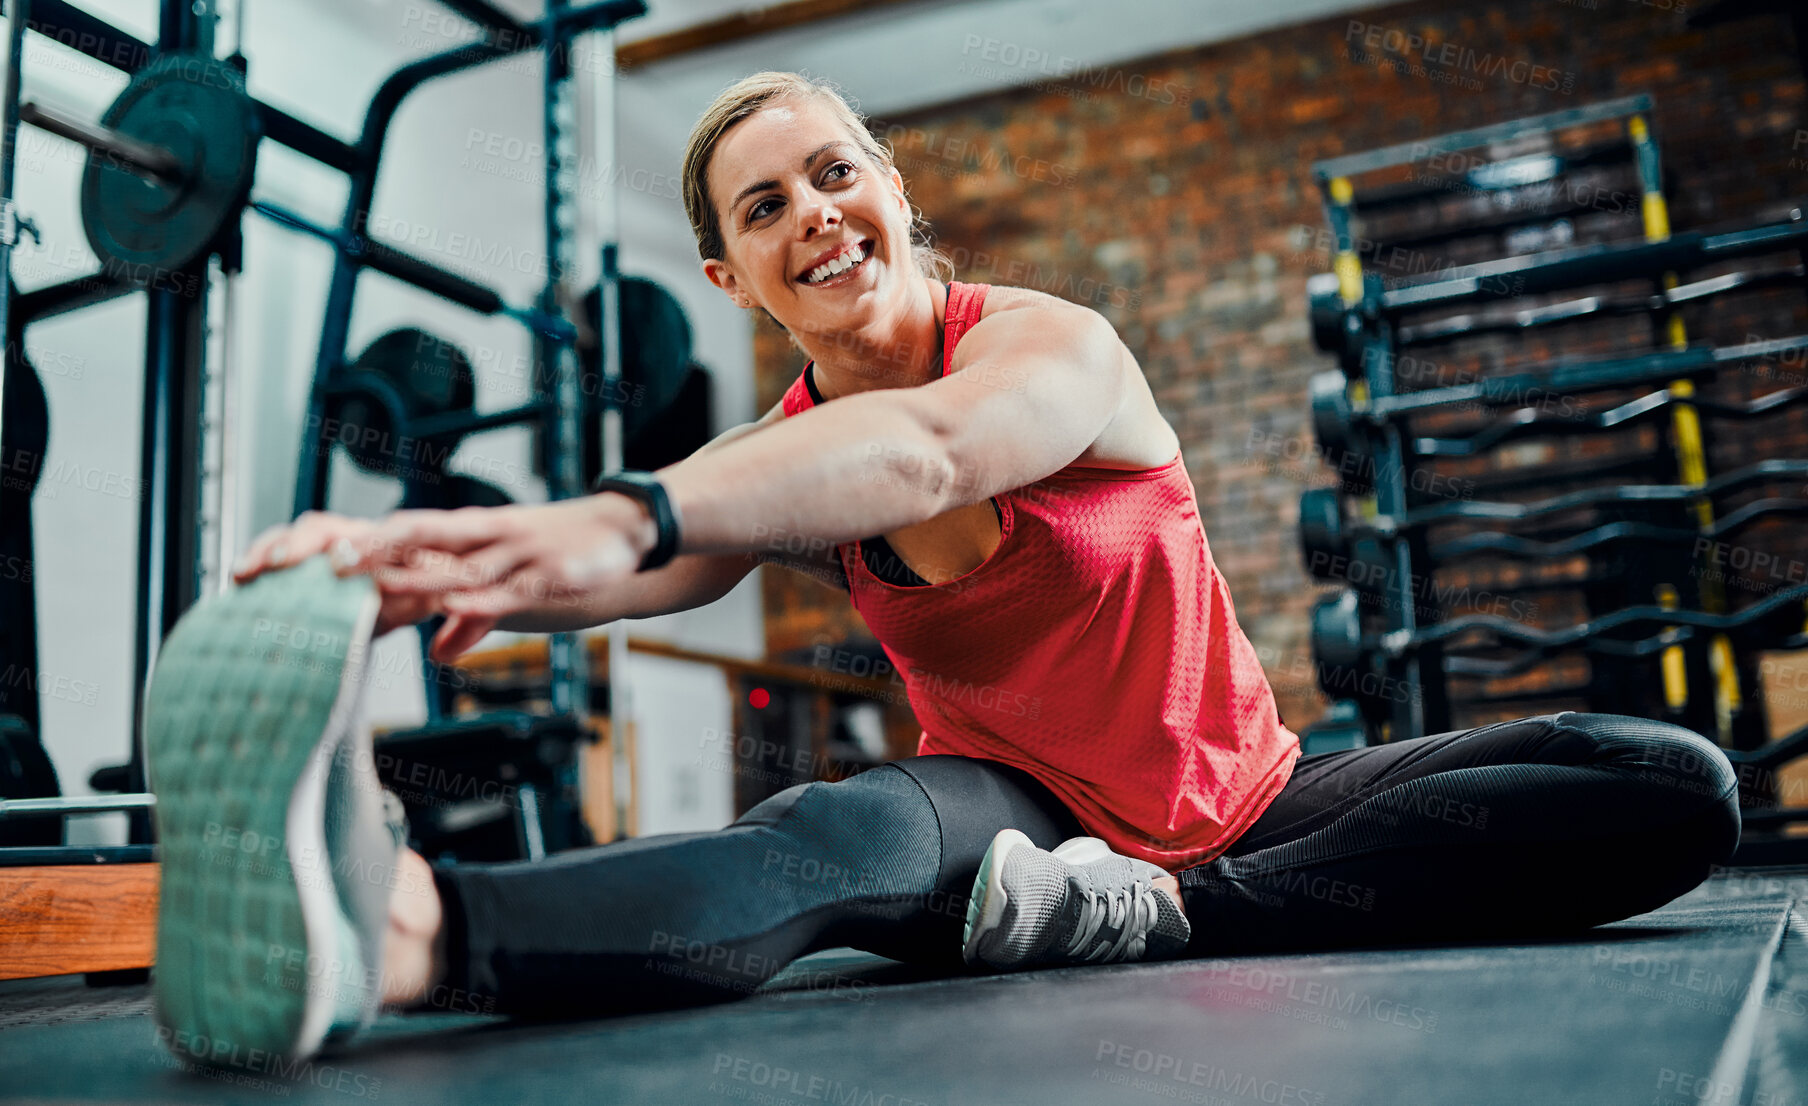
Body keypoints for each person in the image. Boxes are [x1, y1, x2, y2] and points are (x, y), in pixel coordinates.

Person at [199, 71, 1738, 1056]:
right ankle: (405, 933)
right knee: (824, 839)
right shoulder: (787, 449)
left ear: (892, 191)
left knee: (1661, 782)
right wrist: (445, 562)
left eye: (836, 172)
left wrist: (622, 512)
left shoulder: (1058, 350)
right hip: (1015, 816)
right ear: (732, 276)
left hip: (1257, 803)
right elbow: (673, 564)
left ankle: (1178, 915)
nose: (817, 213)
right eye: (766, 206)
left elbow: (929, 452)